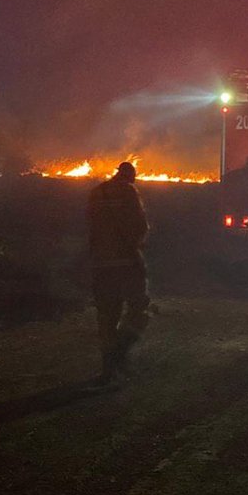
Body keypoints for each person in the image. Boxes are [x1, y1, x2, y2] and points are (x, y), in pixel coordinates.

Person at [87, 161, 149, 383]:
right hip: (126, 263)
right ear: (130, 176)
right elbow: (141, 227)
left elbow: (89, 227)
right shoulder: (129, 192)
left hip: (100, 264)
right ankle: (120, 353)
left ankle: (108, 368)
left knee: (106, 316)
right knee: (138, 308)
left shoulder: (96, 192)